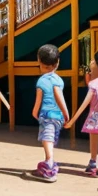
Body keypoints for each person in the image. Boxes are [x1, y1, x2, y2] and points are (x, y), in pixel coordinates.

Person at [65, 47, 98, 178]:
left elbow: (84, 105)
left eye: (94, 60)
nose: (91, 62)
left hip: (95, 117)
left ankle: (93, 164)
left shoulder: (94, 84)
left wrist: (72, 121)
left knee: (94, 141)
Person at [32, 44, 69, 183]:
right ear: (57, 62)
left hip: (47, 115)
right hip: (58, 116)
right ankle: (49, 160)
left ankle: (49, 164)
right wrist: (65, 114)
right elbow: (60, 97)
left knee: (46, 139)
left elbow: (39, 99)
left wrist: (35, 111)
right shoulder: (59, 80)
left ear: (39, 61)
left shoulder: (42, 80)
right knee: (51, 139)